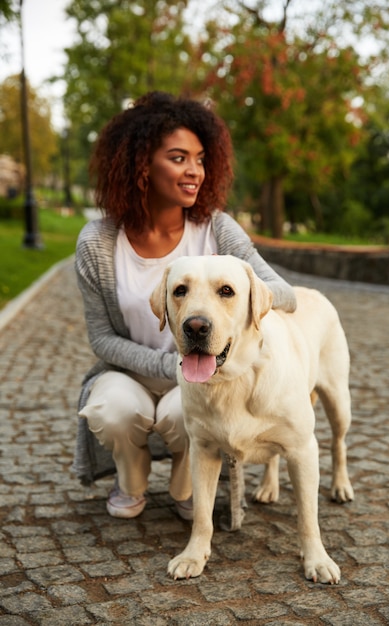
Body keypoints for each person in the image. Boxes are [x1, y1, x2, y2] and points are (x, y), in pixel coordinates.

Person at [73, 91, 296, 521]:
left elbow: (280, 292)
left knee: (186, 413)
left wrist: (243, 291)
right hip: (130, 373)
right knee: (111, 410)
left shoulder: (217, 231)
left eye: (199, 158)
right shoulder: (98, 243)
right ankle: (130, 479)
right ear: (141, 164)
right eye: (178, 158)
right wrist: (168, 364)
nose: (194, 170)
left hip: (204, 377)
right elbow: (101, 337)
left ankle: (186, 485)